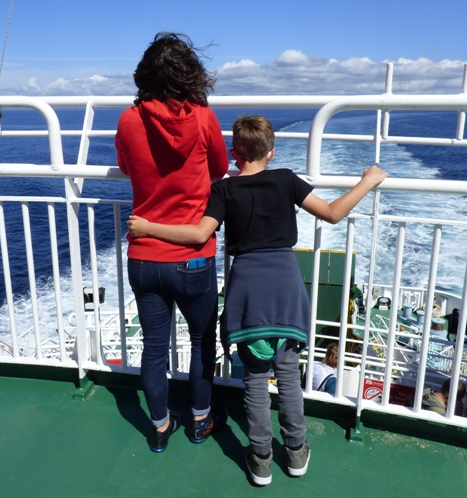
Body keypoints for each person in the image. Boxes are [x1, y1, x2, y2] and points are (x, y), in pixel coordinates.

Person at [128, 115, 387, 485]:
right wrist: (368, 180)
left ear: (234, 154)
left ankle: (261, 457)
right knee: (288, 376)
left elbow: (199, 233)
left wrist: (148, 228)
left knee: (254, 379)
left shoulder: (223, 190)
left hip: (248, 293)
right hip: (286, 291)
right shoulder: (285, 179)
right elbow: (332, 213)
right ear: (272, 152)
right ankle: (296, 452)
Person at [115, 32, 230, 453]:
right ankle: (201, 420)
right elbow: (219, 167)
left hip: (144, 256)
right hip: (193, 257)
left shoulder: (129, 120)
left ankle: (160, 427)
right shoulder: (203, 118)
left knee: (153, 347)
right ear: (190, 75)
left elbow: (126, 166)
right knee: (202, 340)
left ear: (145, 74)